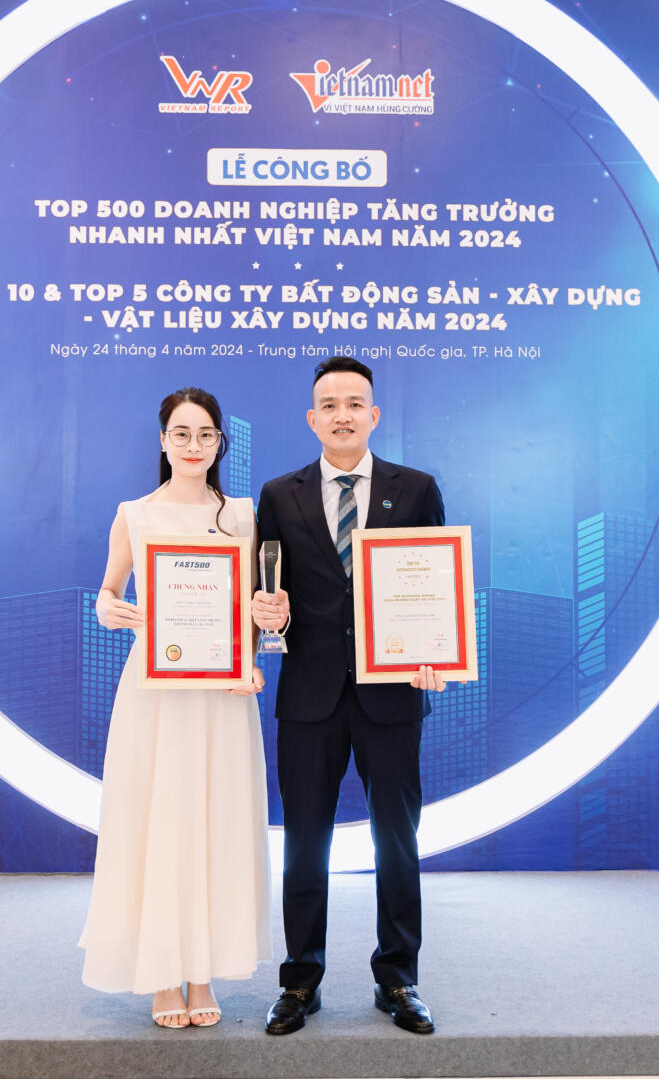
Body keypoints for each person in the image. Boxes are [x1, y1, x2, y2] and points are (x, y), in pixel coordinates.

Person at [78, 386, 286, 1027]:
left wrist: (255, 655)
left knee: (216, 822)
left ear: (221, 443)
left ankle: (202, 973)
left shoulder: (244, 517)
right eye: (181, 433)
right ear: (163, 440)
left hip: (224, 694)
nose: (194, 445)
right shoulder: (135, 515)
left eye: (206, 434)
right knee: (160, 820)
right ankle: (163, 975)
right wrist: (108, 610)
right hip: (157, 693)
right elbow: (108, 591)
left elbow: (256, 608)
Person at [256, 356, 448, 1037]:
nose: (343, 415)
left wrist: (436, 652)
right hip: (308, 698)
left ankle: (398, 978)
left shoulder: (416, 489)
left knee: (397, 842)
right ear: (313, 418)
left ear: (373, 414)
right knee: (305, 843)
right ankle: (299, 981)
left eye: (355, 403)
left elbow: (436, 585)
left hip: (391, 695)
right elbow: (263, 589)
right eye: (330, 405)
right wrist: (267, 613)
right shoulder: (278, 494)